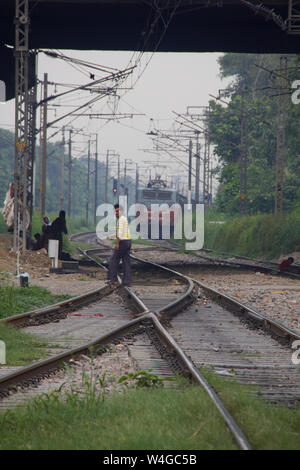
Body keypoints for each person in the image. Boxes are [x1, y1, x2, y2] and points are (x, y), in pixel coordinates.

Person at [107, 204, 132, 286]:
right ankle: (127, 281)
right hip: (128, 241)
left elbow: (120, 234)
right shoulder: (124, 219)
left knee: (113, 260)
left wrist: (117, 244)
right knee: (126, 261)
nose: (116, 213)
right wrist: (112, 236)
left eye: (117, 211)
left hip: (123, 242)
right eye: (115, 211)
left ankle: (113, 279)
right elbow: (121, 232)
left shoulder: (121, 220)